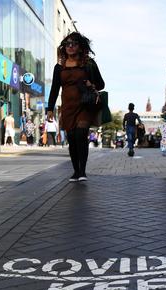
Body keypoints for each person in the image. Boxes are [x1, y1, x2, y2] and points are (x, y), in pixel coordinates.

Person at [46, 31, 105, 182]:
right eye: (67, 44)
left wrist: (91, 84)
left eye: (74, 44)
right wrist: (50, 109)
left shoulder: (88, 64)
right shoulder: (59, 68)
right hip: (67, 107)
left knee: (80, 134)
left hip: (84, 105)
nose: (70, 46)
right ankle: (75, 171)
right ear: (64, 47)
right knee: (71, 138)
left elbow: (101, 84)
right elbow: (54, 89)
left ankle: (83, 171)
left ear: (80, 47)